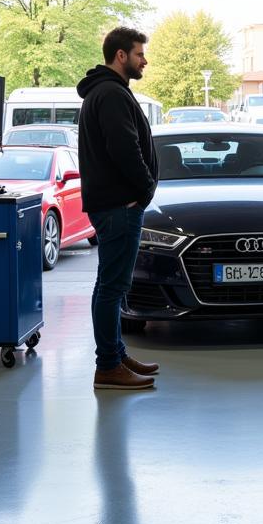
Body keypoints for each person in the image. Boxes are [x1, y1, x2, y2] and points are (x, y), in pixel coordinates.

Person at [77, 27, 160, 390]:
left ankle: (115, 353)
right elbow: (124, 148)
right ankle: (108, 365)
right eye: (140, 53)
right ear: (121, 56)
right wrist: (144, 189)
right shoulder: (110, 94)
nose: (144, 60)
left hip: (113, 203)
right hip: (119, 205)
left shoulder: (106, 91)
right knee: (112, 288)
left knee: (110, 286)